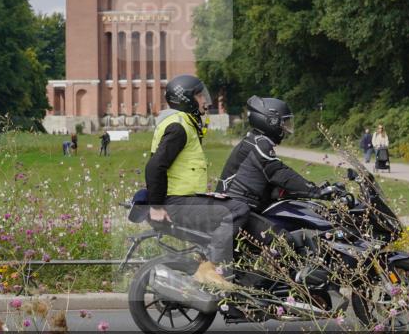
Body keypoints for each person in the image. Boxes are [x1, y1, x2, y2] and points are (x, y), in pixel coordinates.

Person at [146, 74, 248, 290]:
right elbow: (155, 166)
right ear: (186, 99)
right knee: (236, 210)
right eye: (199, 95)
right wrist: (155, 206)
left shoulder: (186, 124)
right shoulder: (179, 127)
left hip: (184, 199)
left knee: (234, 203)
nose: (204, 99)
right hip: (177, 203)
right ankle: (209, 266)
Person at [218, 96, 345, 253]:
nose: (285, 128)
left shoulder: (256, 141)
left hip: (242, 208)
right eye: (283, 123)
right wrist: (316, 192)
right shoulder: (258, 144)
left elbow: (272, 182)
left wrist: (313, 189)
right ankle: (279, 278)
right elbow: (279, 173)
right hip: (237, 212)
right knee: (284, 242)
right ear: (270, 121)